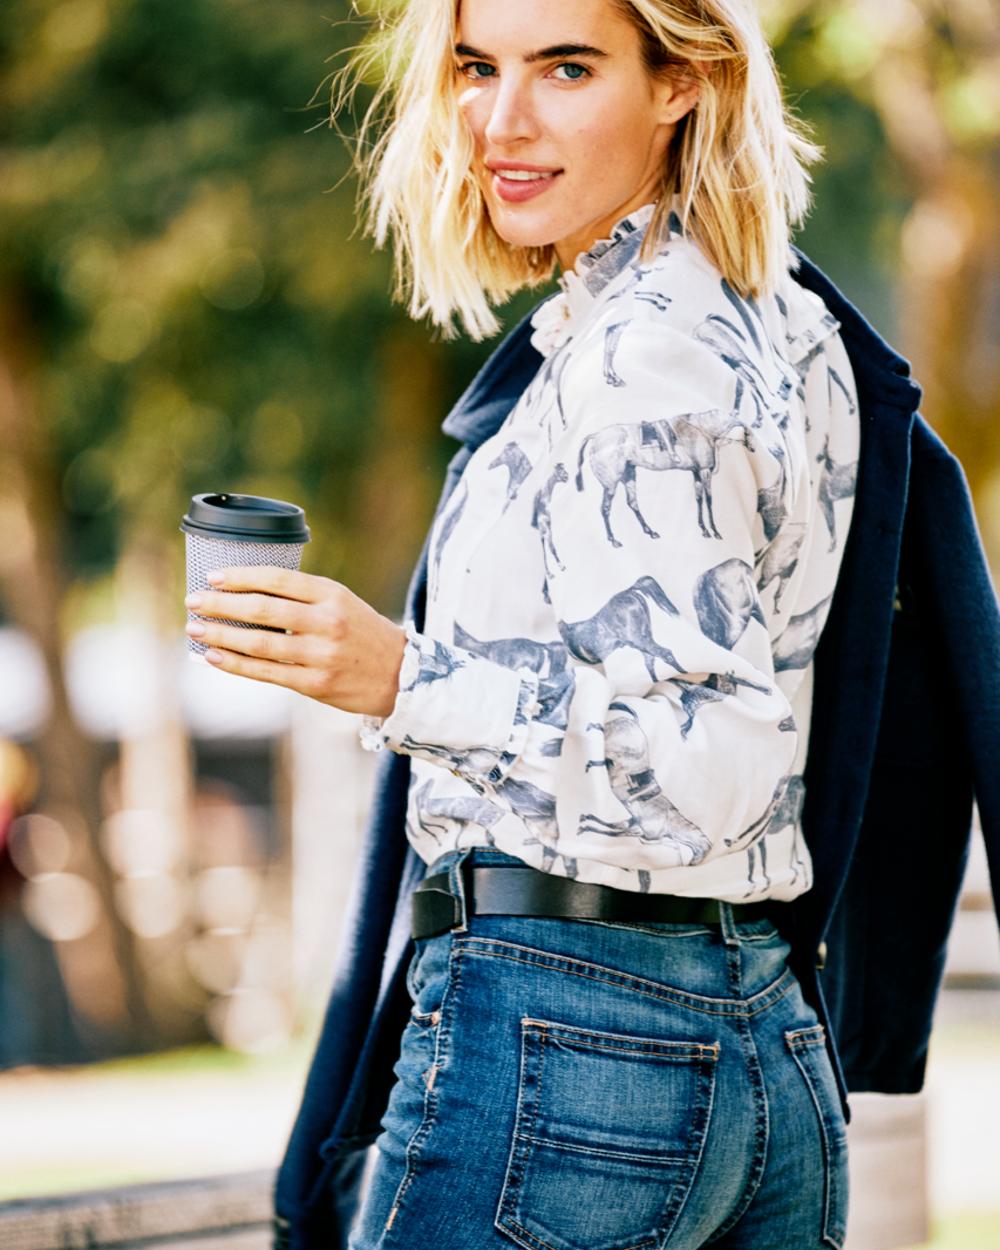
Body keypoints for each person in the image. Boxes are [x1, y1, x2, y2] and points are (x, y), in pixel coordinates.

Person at [181, 2, 995, 1248]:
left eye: (566, 67)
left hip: (571, 1045)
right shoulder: (788, 322)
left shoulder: (645, 352)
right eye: (474, 66)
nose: (500, 120)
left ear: (683, 78)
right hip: (760, 1045)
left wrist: (400, 675)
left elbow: (705, 765)